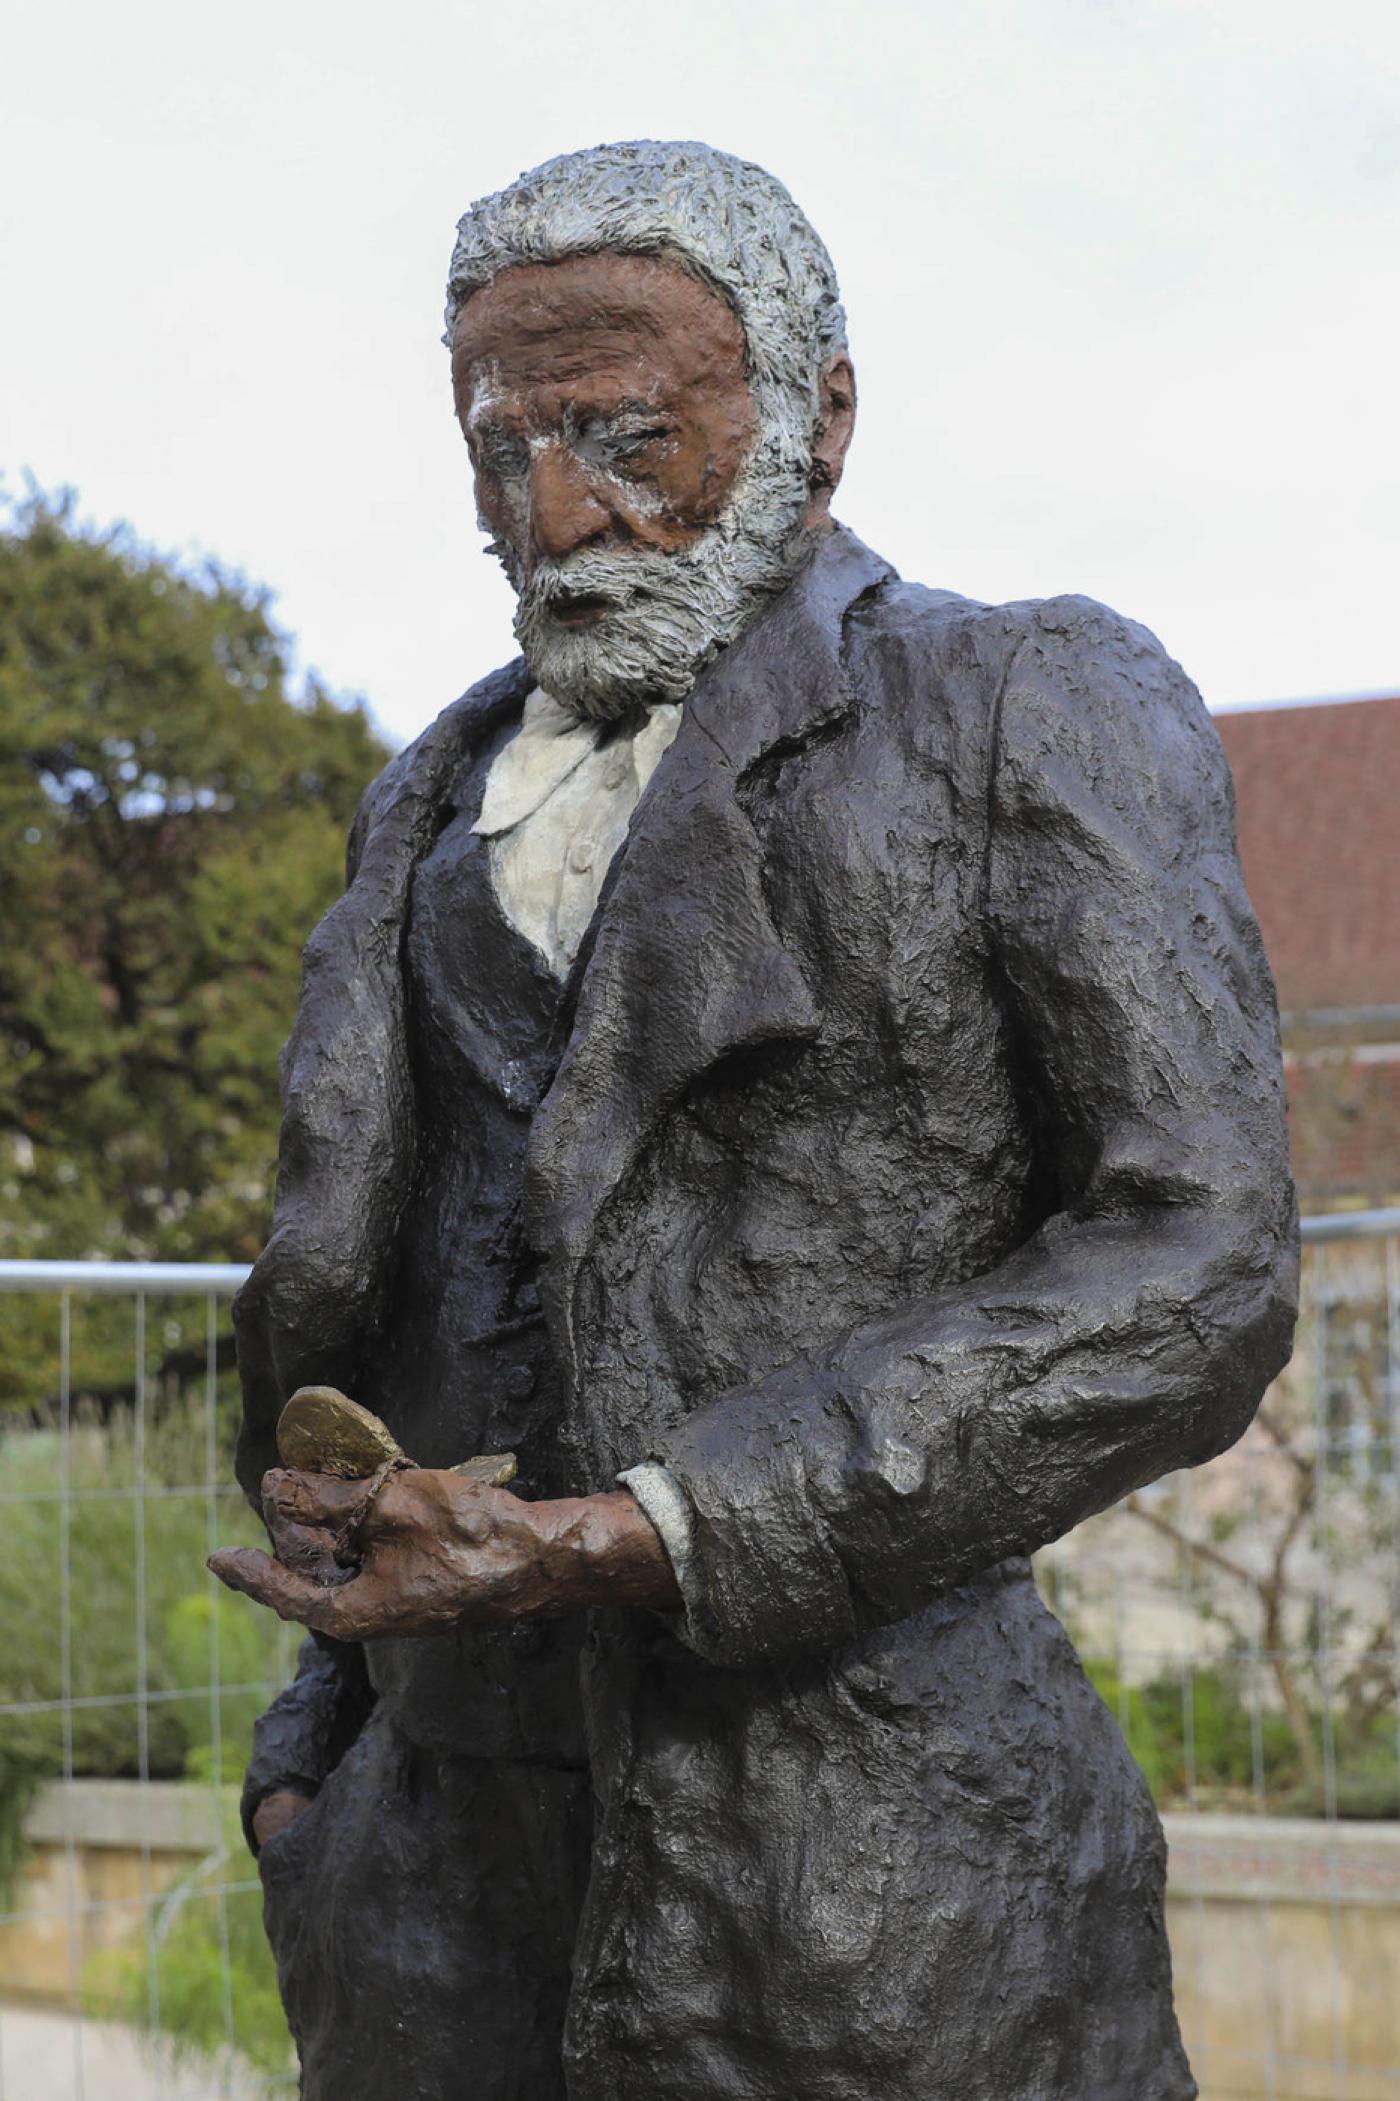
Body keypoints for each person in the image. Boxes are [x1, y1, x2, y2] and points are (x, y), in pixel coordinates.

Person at [212, 138, 1297, 2101]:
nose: (556, 513)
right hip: (433, 1914)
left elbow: (1193, 1261)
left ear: (822, 416)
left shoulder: (1021, 701)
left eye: (628, 435)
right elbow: (387, 1292)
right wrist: (314, 1773)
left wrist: (660, 1526)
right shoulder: (424, 790)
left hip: (868, 1887)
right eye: (498, 449)